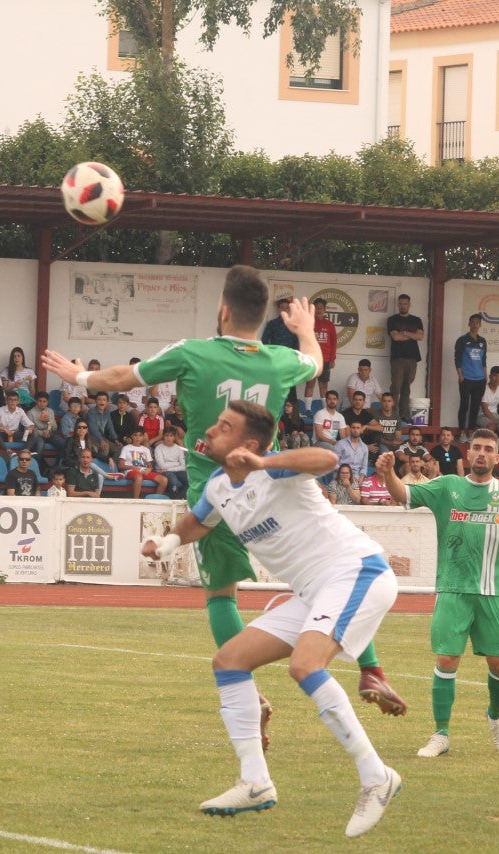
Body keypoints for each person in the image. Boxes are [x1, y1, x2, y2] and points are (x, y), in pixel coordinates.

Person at [43, 265, 405, 718]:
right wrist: (305, 329)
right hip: (274, 481)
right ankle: (371, 668)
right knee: (326, 577)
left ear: (224, 309)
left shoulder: (193, 353)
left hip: (217, 489)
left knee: (221, 594)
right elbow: (315, 361)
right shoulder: (279, 359)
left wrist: (78, 377)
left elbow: (122, 379)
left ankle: (248, 690)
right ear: (260, 316)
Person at [142, 401, 401, 837]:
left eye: (224, 426)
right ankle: (255, 782)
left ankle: (377, 777)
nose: (210, 428)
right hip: (313, 590)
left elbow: (327, 458)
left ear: (248, 443)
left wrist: (262, 461)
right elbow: (196, 524)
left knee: (305, 665)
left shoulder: (275, 468)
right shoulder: (218, 486)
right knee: (229, 662)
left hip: (356, 571)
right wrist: (166, 544)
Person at [378, 428, 499, 759]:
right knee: (446, 659)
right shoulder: (447, 487)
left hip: (494, 592)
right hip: (453, 588)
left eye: (488, 449)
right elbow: (403, 496)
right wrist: (387, 474)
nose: (481, 453)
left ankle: (495, 716)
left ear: (497, 458)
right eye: (476, 448)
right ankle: (440, 734)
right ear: (467, 455)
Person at [387, 293, 424, 422]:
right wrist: (412, 335)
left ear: (409, 304)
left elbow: (420, 336)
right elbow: (395, 337)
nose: (403, 306)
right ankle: (393, 413)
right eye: (401, 304)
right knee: (396, 387)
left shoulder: (416, 320)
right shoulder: (392, 320)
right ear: (398, 304)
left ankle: (404, 415)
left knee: (406, 387)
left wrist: (405, 333)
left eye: (405, 304)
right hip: (398, 358)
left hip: (412, 358)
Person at [303, 296, 337, 411]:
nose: (319, 310)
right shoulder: (308, 323)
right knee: (310, 384)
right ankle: (307, 410)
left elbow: (333, 343)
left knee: (323, 386)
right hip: (311, 359)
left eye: (321, 308)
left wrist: (332, 359)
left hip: (325, 360)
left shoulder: (330, 325)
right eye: (316, 308)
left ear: (324, 310)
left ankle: (325, 410)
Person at [454, 313, 486, 431]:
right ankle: (462, 431)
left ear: (480, 325)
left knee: (475, 407)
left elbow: (483, 360)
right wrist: (460, 375)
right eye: (472, 322)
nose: (475, 325)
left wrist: (485, 376)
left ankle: (471, 431)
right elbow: (457, 359)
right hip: (466, 379)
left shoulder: (483, 341)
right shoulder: (462, 340)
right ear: (469, 324)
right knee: (464, 406)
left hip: (480, 380)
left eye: (477, 323)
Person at [119, 427, 168, 498]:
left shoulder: (146, 449)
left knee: (164, 480)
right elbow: (120, 465)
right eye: (135, 435)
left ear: (143, 437)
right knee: (139, 477)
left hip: (144, 471)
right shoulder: (126, 448)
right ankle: (136, 500)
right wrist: (133, 467)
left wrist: (149, 469)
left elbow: (150, 466)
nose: (137, 438)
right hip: (131, 471)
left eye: (140, 435)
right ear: (132, 436)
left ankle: (156, 500)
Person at [0, 391, 38, 457]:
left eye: (15, 400)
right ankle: (7, 450)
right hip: (2, 435)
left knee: (34, 432)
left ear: (18, 402)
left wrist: (30, 428)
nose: (12, 402)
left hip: (14, 435)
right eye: (10, 400)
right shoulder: (1, 410)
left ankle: (25, 451)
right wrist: (4, 429)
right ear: (6, 401)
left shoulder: (20, 411)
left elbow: (30, 424)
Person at [154, 428, 188, 498]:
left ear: (174, 437)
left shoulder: (179, 449)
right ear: (163, 437)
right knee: (173, 480)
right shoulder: (158, 448)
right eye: (166, 436)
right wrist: (177, 463)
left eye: (171, 436)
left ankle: (179, 499)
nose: (168, 438)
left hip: (174, 470)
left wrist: (169, 468)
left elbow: (184, 466)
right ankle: (174, 499)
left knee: (190, 480)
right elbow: (162, 466)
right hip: (162, 471)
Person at [478, 366, 499, 433]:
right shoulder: (483, 388)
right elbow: (485, 410)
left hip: (495, 415)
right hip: (482, 415)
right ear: (490, 376)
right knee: (492, 426)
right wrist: (496, 422)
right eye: (495, 376)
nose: (497, 378)